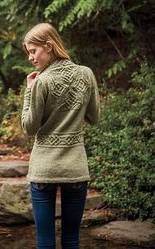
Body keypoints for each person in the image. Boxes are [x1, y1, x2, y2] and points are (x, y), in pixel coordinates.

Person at [21, 23, 100, 249]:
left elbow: (28, 127)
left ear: (49, 46)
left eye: (32, 51)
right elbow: (94, 118)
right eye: (28, 53)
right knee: (71, 241)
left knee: (45, 243)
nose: (30, 57)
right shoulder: (86, 74)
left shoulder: (41, 82)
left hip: (44, 171)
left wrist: (29, 89)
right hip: (75, 169)